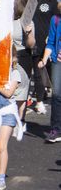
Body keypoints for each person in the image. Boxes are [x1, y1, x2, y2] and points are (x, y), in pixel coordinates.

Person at [40, 11, 61, 142]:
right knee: (56, 96)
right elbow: (51, 42)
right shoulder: (56, 19)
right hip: (57, 62)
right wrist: (44, 59)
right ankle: (56, 130)